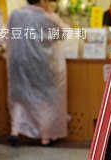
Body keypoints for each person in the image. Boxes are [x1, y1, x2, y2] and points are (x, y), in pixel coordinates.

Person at [6, 0, 67, 147]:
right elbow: (62, 34)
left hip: (17, 63)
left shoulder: (15, 14)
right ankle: (45, 137)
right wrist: (53, 15)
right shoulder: (46, 18)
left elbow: (9, 36)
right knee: (44, 100)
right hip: (40, 63)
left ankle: (14, 132)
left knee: (19, 97)